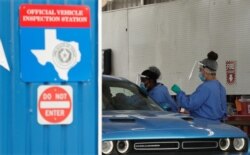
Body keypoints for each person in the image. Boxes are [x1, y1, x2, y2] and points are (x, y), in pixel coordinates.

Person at [171, 51, 227, 121]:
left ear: (206, 71)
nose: (200, 72)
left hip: (205, 124)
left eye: (200, 70)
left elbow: (190, 104)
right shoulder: (221, 87)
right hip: (217, 124)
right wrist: (189, 112)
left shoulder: (206, 87)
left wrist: (179, 92)